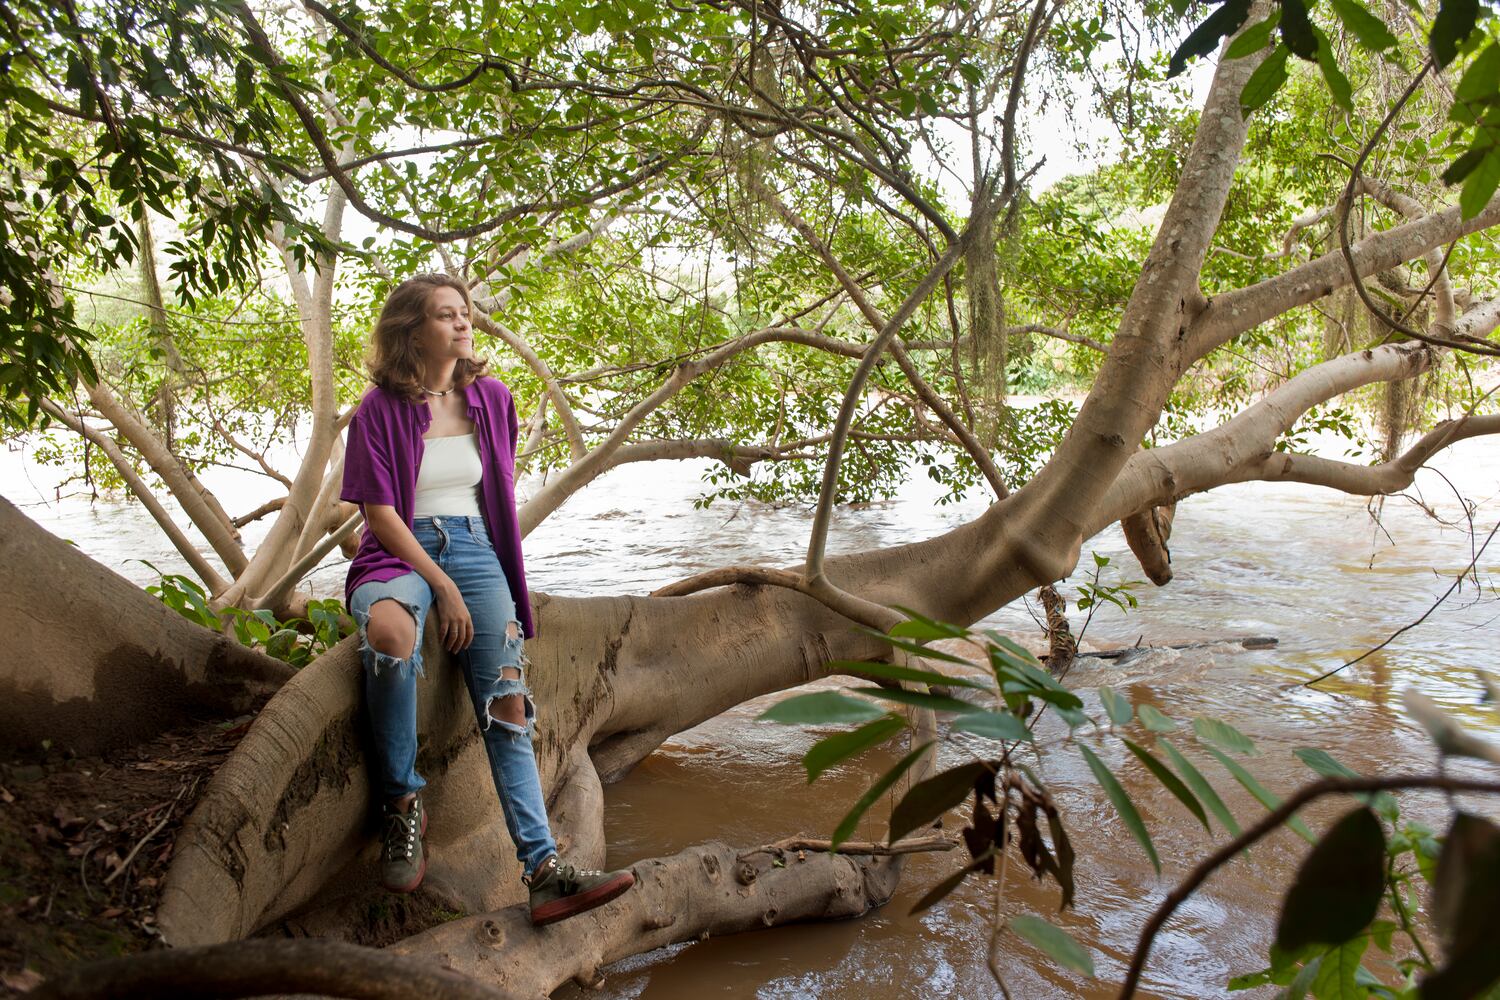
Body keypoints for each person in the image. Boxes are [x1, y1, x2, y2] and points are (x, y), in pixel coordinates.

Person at [340, 272, 634, 925]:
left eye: (464, 313)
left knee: (508, 706)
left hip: (475, 550)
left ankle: (544, 870)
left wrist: (492, 581)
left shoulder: (491, 399)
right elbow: (379, 513)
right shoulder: (377, 410)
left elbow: (495, 496)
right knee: (391, 636)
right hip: (399, 549)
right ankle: (401, 805)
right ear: (411, 329)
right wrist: (440, 586)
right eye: (446, 315)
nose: (462, 324)